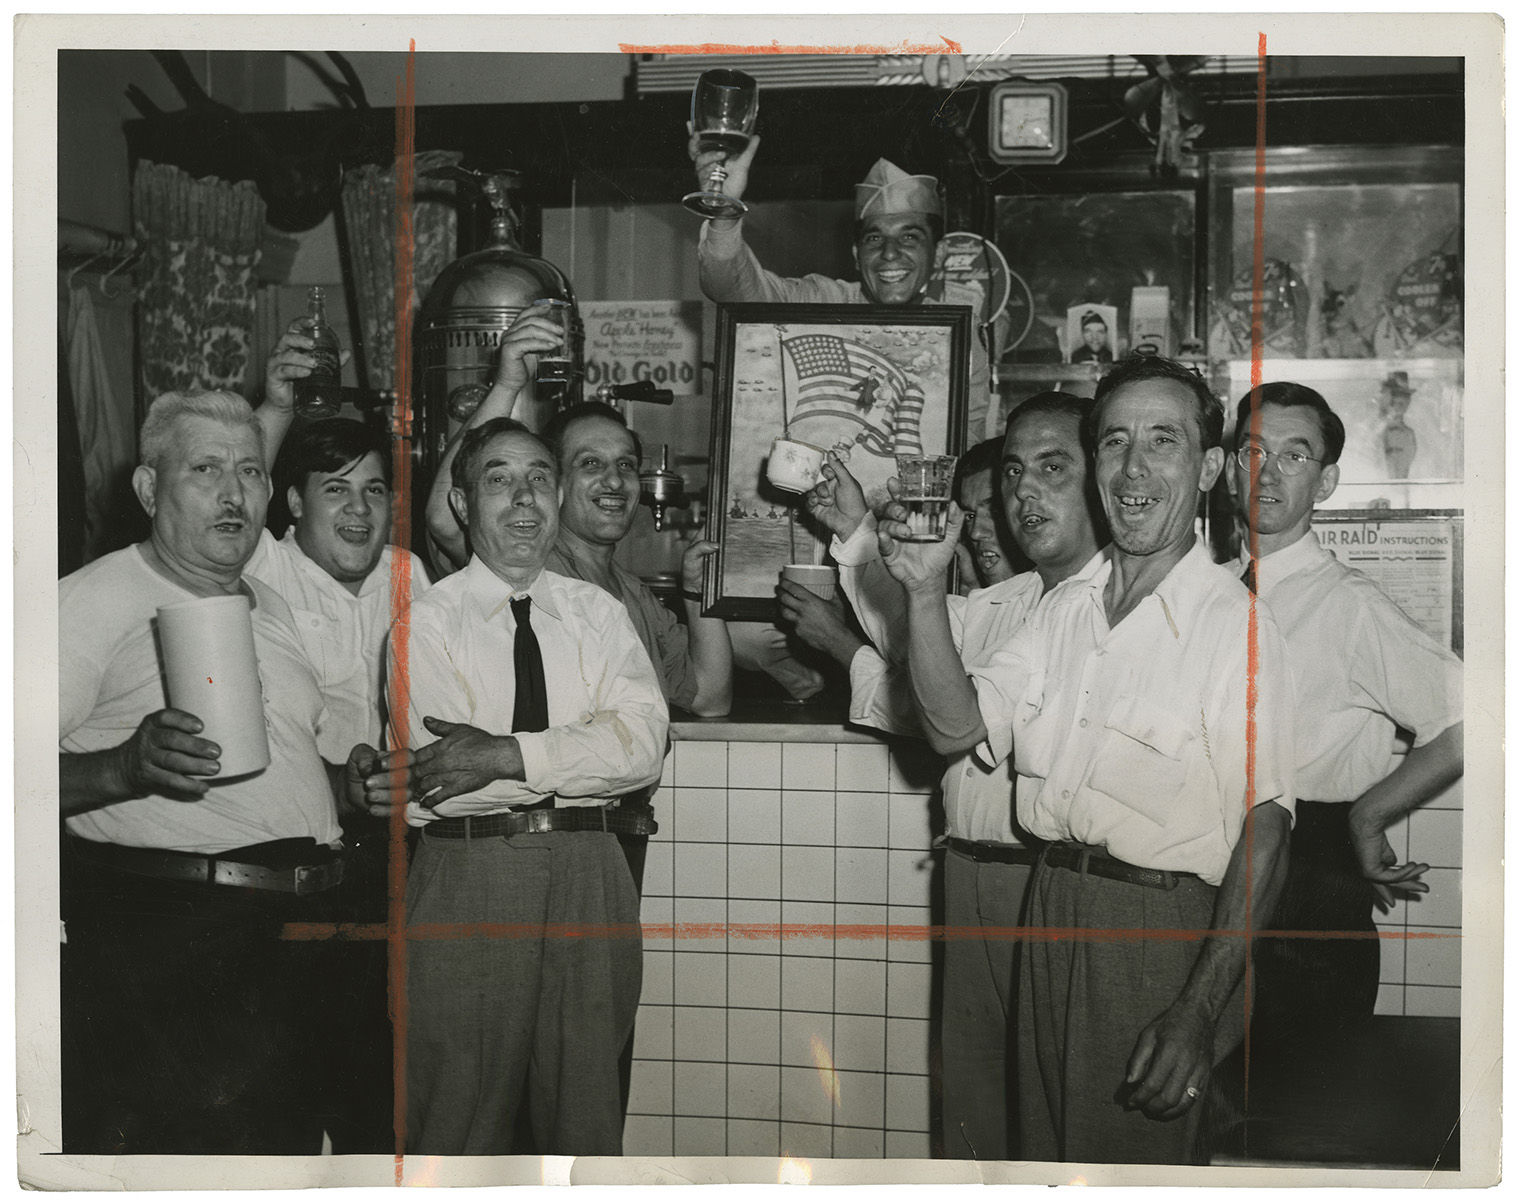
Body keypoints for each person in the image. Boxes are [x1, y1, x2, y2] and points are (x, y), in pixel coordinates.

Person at [881, 356, 1297, 1165]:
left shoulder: (1235, 628)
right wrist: (926, 593)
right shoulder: (1065, 611)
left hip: (1159, 935)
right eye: (1114, 443)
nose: (1134, 468)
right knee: (1044, 1165)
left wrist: (1198, 1010)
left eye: (1163, 441)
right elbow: (953, 727)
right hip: (1049, 911)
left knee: (1129, 1171)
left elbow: (1268, 833)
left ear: (1209, 468)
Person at [57, 390, 404, 1154]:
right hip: (174, 938)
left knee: (300, 1156)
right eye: (205, 468)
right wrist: (120, 769)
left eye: (249, 470)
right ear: (150, 489)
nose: (232, 492)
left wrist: (341, 785)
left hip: (293, 932)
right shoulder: (91, 601)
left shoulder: (267, 601)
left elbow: (272, 758)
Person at [783, 398, 1106, 1161]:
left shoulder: (1107, 603)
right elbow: (917, 653)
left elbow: (943, 711)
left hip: (1046, 876)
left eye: (1048, 470)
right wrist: (856, 531)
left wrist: (843, 638)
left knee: (1052, 1113)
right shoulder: (1006, 602)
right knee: (975, 1100)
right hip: (970, 873)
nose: (1017, 502)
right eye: (1011, 479)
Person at [393, 417, 669, 1155]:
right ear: (460, 503)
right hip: (470, 871)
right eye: (499, 480)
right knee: (454, 1119)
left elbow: (642, 748)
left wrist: (506, 754)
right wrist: (576, 752)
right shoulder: (424, 622)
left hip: (593, 875)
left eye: (540, 478)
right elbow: (445, 774)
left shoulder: (599, 615)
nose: (524, 500)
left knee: (585, 1123)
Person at [236, 329, 433, 1151]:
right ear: (293, 503)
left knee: (380, 1092)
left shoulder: (406, 572)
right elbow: (235, 503)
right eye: (336, 491)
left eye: (375, 491)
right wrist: (276, 407)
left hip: (396, 857)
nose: (359, 510)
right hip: (294, 859)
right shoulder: (264, 569)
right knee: (286, 1091)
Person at [1226, 382, 1463, 1033]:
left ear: (1325, 482)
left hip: (1311, 885)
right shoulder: (1206, 593)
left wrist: (1369, 816)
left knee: (1302, 1105)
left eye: (1293, 457)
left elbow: (1472, 720)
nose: (1267, 473)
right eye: (1252, 452)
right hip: (1210, 868)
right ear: (1226, 469)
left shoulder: (1350, 605)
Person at [691, 144, 1006, 444]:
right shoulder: (823, 301)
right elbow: (732, 289)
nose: (890, 254)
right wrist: (724, 215)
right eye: (874, 239)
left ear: (938, 254)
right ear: (856, 254)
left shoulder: (957, 335)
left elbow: (968, 437)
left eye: (909, 237)